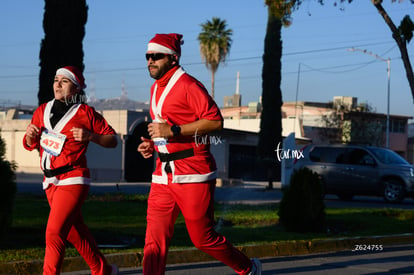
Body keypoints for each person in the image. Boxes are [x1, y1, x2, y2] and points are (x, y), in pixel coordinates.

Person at [138, 33, 262, 275]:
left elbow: (215, 122)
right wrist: (152, 145)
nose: (150, 61)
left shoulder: (188, 85)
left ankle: (248, 268)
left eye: (156, 56)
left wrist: (173, 130)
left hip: (193, 172)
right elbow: (165, 128)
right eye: (147, 56)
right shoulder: (155, 88)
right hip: (162, 175)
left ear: (173, 58)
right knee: (154, 242)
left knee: (202, 238)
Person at [23, 66, 119, 275]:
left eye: (64, 81)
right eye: (56, 79)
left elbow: (113, 140)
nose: (57, 84)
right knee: (75, 232)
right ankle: (103, 270)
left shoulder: (85, 112)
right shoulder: (42, 111)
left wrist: (90, 136)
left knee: (54, 232)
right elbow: (30, 143)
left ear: (76, 88)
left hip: (73, 178)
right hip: (50, 182)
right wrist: (30, 136)